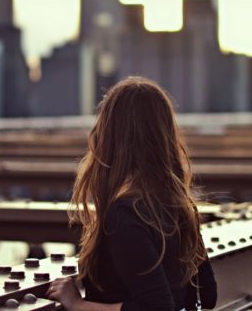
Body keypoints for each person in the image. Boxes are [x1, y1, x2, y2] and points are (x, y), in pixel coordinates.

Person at [47, 76, 217, 311]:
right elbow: (208, 295)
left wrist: (78, 304)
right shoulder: (180, 207)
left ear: (109, 138)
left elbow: (158, 308)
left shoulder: (125, 214)